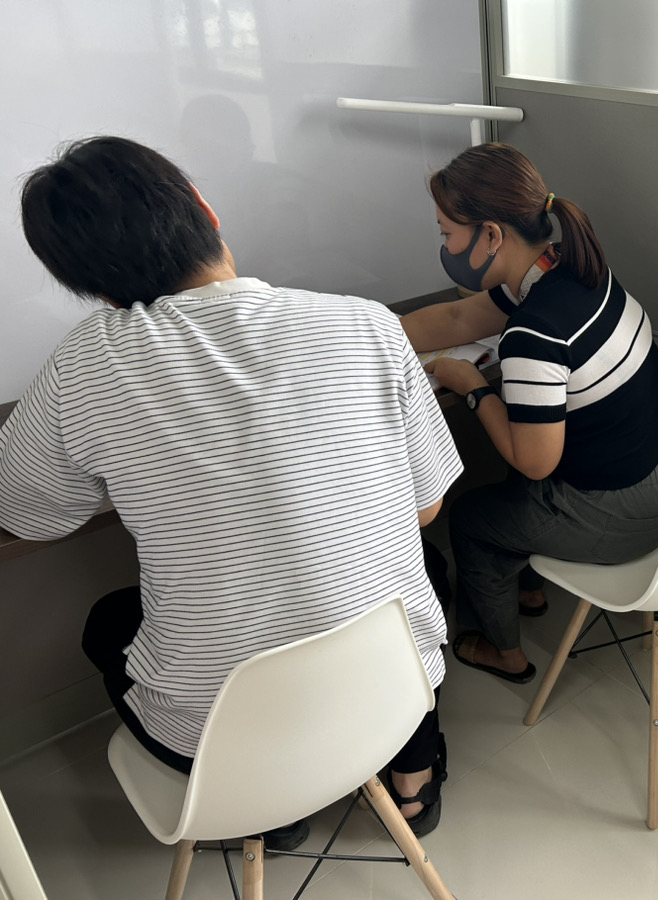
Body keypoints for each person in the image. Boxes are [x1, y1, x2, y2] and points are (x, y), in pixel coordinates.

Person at [0, 136, 462, 842]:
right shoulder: (366, 322)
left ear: (95, 290)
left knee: (108, 624)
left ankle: (272, 815)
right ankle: (414, 779)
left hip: (226, 749)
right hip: (397, 692)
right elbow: (426, 506)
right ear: (206, 210)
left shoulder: (85, 365)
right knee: (407, 574)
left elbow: (29, 513)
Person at [402, 143, 658, 684]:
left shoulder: (533, 333)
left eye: (447, 233)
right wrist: (366, 330)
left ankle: (503, 653)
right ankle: (530, 590)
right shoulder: (571, 269)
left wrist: (473, 387)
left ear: (491, 236)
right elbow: (456, 319)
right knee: (525, 460)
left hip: (630, 511)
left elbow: (535, 463)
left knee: (471, 519)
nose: (443, 246)